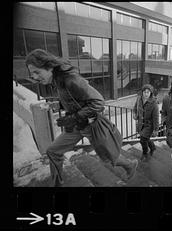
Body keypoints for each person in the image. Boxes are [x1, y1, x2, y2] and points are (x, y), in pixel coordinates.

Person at [25, 49, 138, 187]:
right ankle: (57, 184)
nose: (35, 77)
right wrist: (56, 105)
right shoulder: (56, 80)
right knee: (53, 152)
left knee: (108, 159)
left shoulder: (70, 79)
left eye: (37, 72)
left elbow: (98, 102)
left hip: (91, 126)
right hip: (76, 126)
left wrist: (73, 118)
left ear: (48, 66)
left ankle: (130, 165)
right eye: (32, 74)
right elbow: (72, 100)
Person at [133, 84, 159, 161]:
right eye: (145, 92)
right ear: (142, 92)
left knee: (142, 140)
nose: (146, 94)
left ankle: (145, 153)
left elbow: (156, 117)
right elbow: (135, 108)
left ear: (151, 93)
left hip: (149, 125)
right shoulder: (139, 99)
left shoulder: (154, 103)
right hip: (141, 123)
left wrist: (156, 129)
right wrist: (134, 114)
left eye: (148, 92)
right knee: (146, 138)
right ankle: (153, 147)